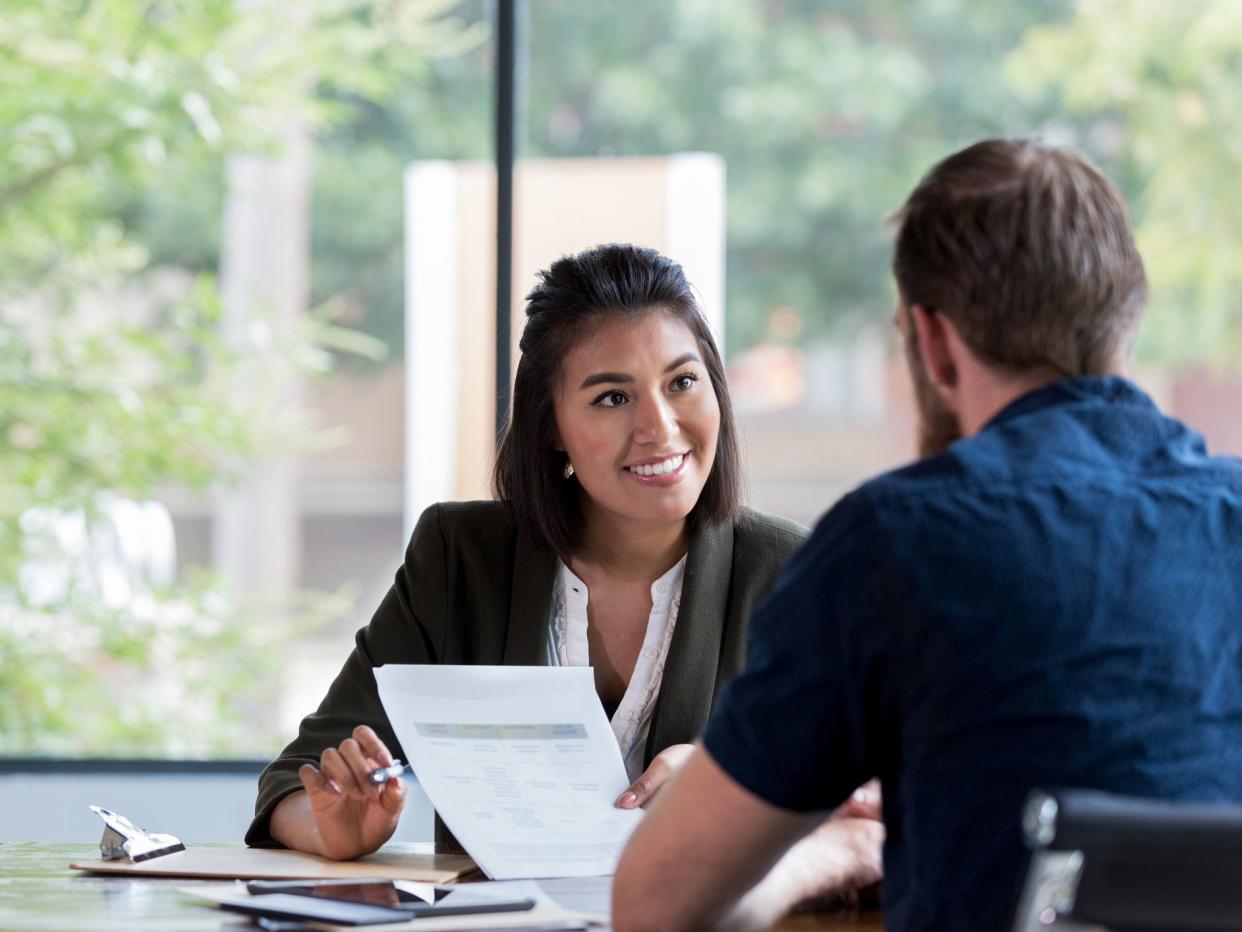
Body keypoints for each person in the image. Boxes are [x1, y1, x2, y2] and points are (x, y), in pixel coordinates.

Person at [612, 138, 1242, 932]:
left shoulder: (896, 543)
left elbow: (654, 905)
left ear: (934, 342)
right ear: (1126, 317)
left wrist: (831, 853)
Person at [245, 243, 814, 861]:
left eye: (681, 382)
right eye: (612, 397)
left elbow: (873, 798)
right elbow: (294, 781)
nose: (660, 427)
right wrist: (331, 827)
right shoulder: (460, 559)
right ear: (550, 427)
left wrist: (733, 783)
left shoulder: (791, 574)